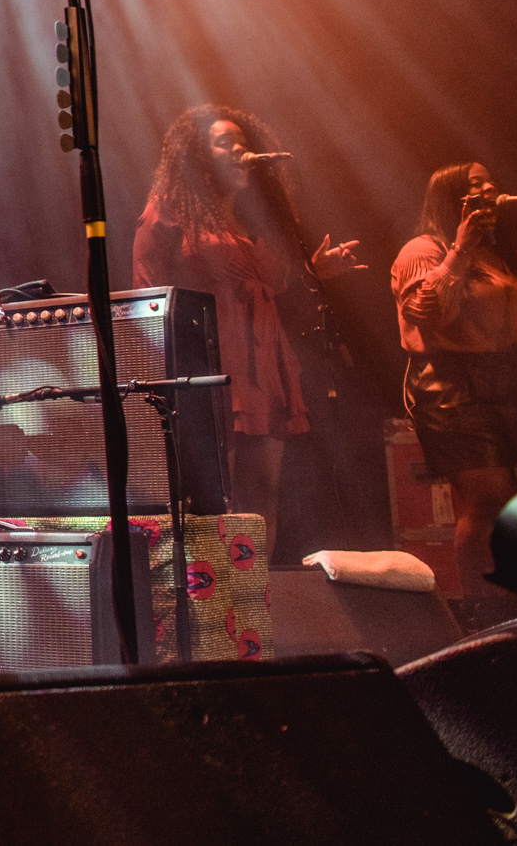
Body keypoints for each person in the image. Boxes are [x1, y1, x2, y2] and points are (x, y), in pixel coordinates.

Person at [133, 105, 363, 561]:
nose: (241, 151)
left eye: (244, 143)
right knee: (216, 497)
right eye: (226, 143)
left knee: (262, 495)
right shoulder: (169, 213)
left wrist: (315, 273)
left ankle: (257, 604)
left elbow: (276, 294)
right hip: (206, 367)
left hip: (263, 369)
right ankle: (215, 605)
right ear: (198, 155)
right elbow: (145, 299)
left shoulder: (253, 222)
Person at [392, 162, 517, 623]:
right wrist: (461, 249)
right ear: (451, 197)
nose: (490, 188)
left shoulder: (502, 257)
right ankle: (484, 609)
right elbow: (427, 313)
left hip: (515, 383)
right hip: (453, 385)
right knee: (488, 498)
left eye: (491, 180)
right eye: (475, 184)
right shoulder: (423, 249)